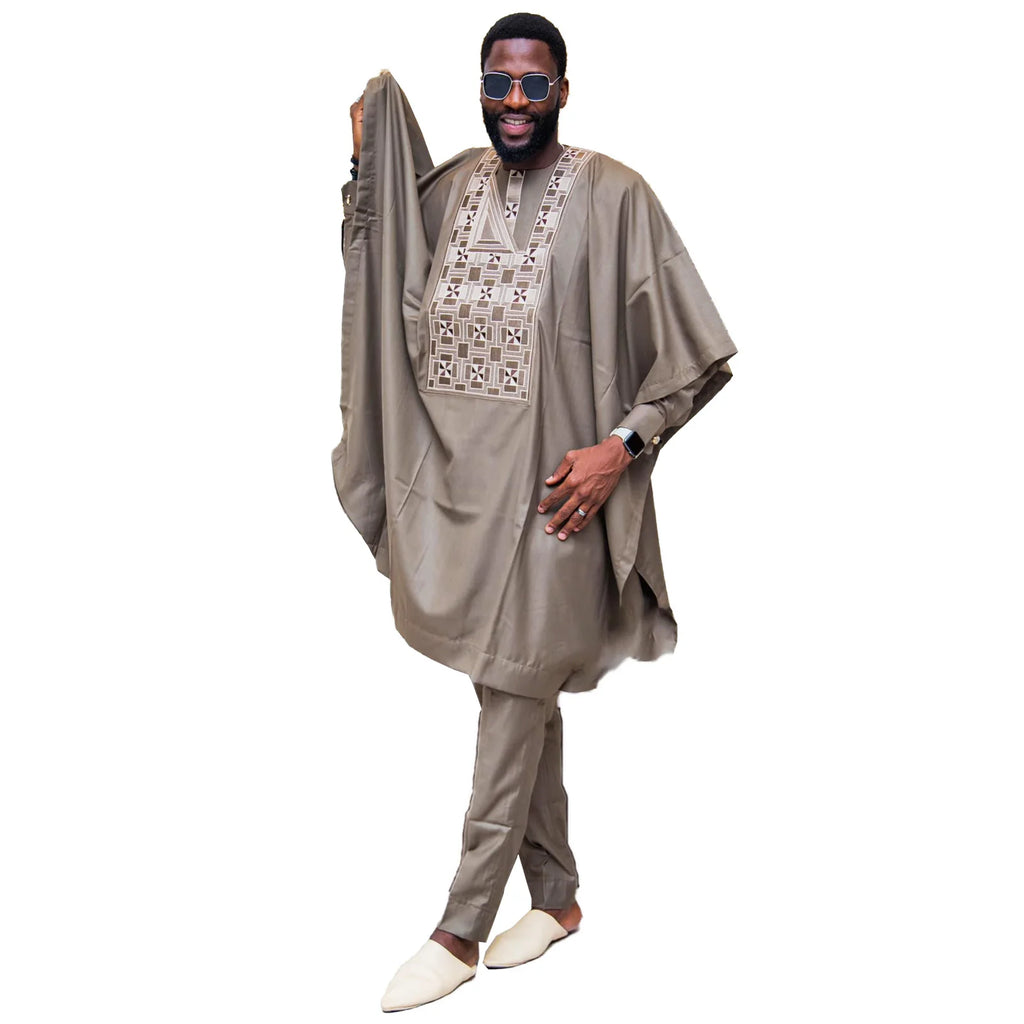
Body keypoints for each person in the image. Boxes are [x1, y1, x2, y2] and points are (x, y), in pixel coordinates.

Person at [333, 12, 737, 1013]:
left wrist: (621, 448)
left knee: (513, 690)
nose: (514, 102)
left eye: (533, 83)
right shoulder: (449, 190)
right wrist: (365, 164)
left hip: (562, 503)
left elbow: (694, 354)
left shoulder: (615, 196)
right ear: (481, 88)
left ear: (562, 89)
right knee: (511, 687)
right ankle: (556, 899)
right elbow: (380, 268)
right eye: (498, 82)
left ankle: (459, 925)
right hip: (467, 499)